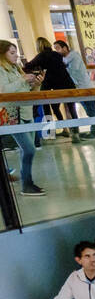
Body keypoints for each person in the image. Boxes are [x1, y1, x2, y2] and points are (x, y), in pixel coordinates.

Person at [0, 41, 43, 195]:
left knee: (27, 150)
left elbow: (28, 93)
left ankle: (28, 183)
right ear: (2, 54)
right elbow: (4, 91)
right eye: (12, 52)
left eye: (15, 52)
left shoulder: (16, 69)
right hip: (12, 116)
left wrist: (36, 85)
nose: (16, 55)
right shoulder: (2, 70)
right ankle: (26, 184)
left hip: (25, 114)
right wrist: (23, 80)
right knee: (29, 149)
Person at [23, 36, 77, 135]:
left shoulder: (41, 55)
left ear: (38, 46)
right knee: (71, 108)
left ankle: (53, 131)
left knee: (48, 106)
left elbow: (27, 66)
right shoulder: (57, 54)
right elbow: (62, 66)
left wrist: (32, 73)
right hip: (67, 83)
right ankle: (76, 133)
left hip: (52, 84)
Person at [54, 39, 95, 139]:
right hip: (81, 89)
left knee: (91, 111)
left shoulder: (73, 56)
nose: (56, 51)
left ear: (65, 48)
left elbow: (71, 71)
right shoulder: (66, 59)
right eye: (55, 49)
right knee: (90, 111)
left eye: (58, 48)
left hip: (85, 89)